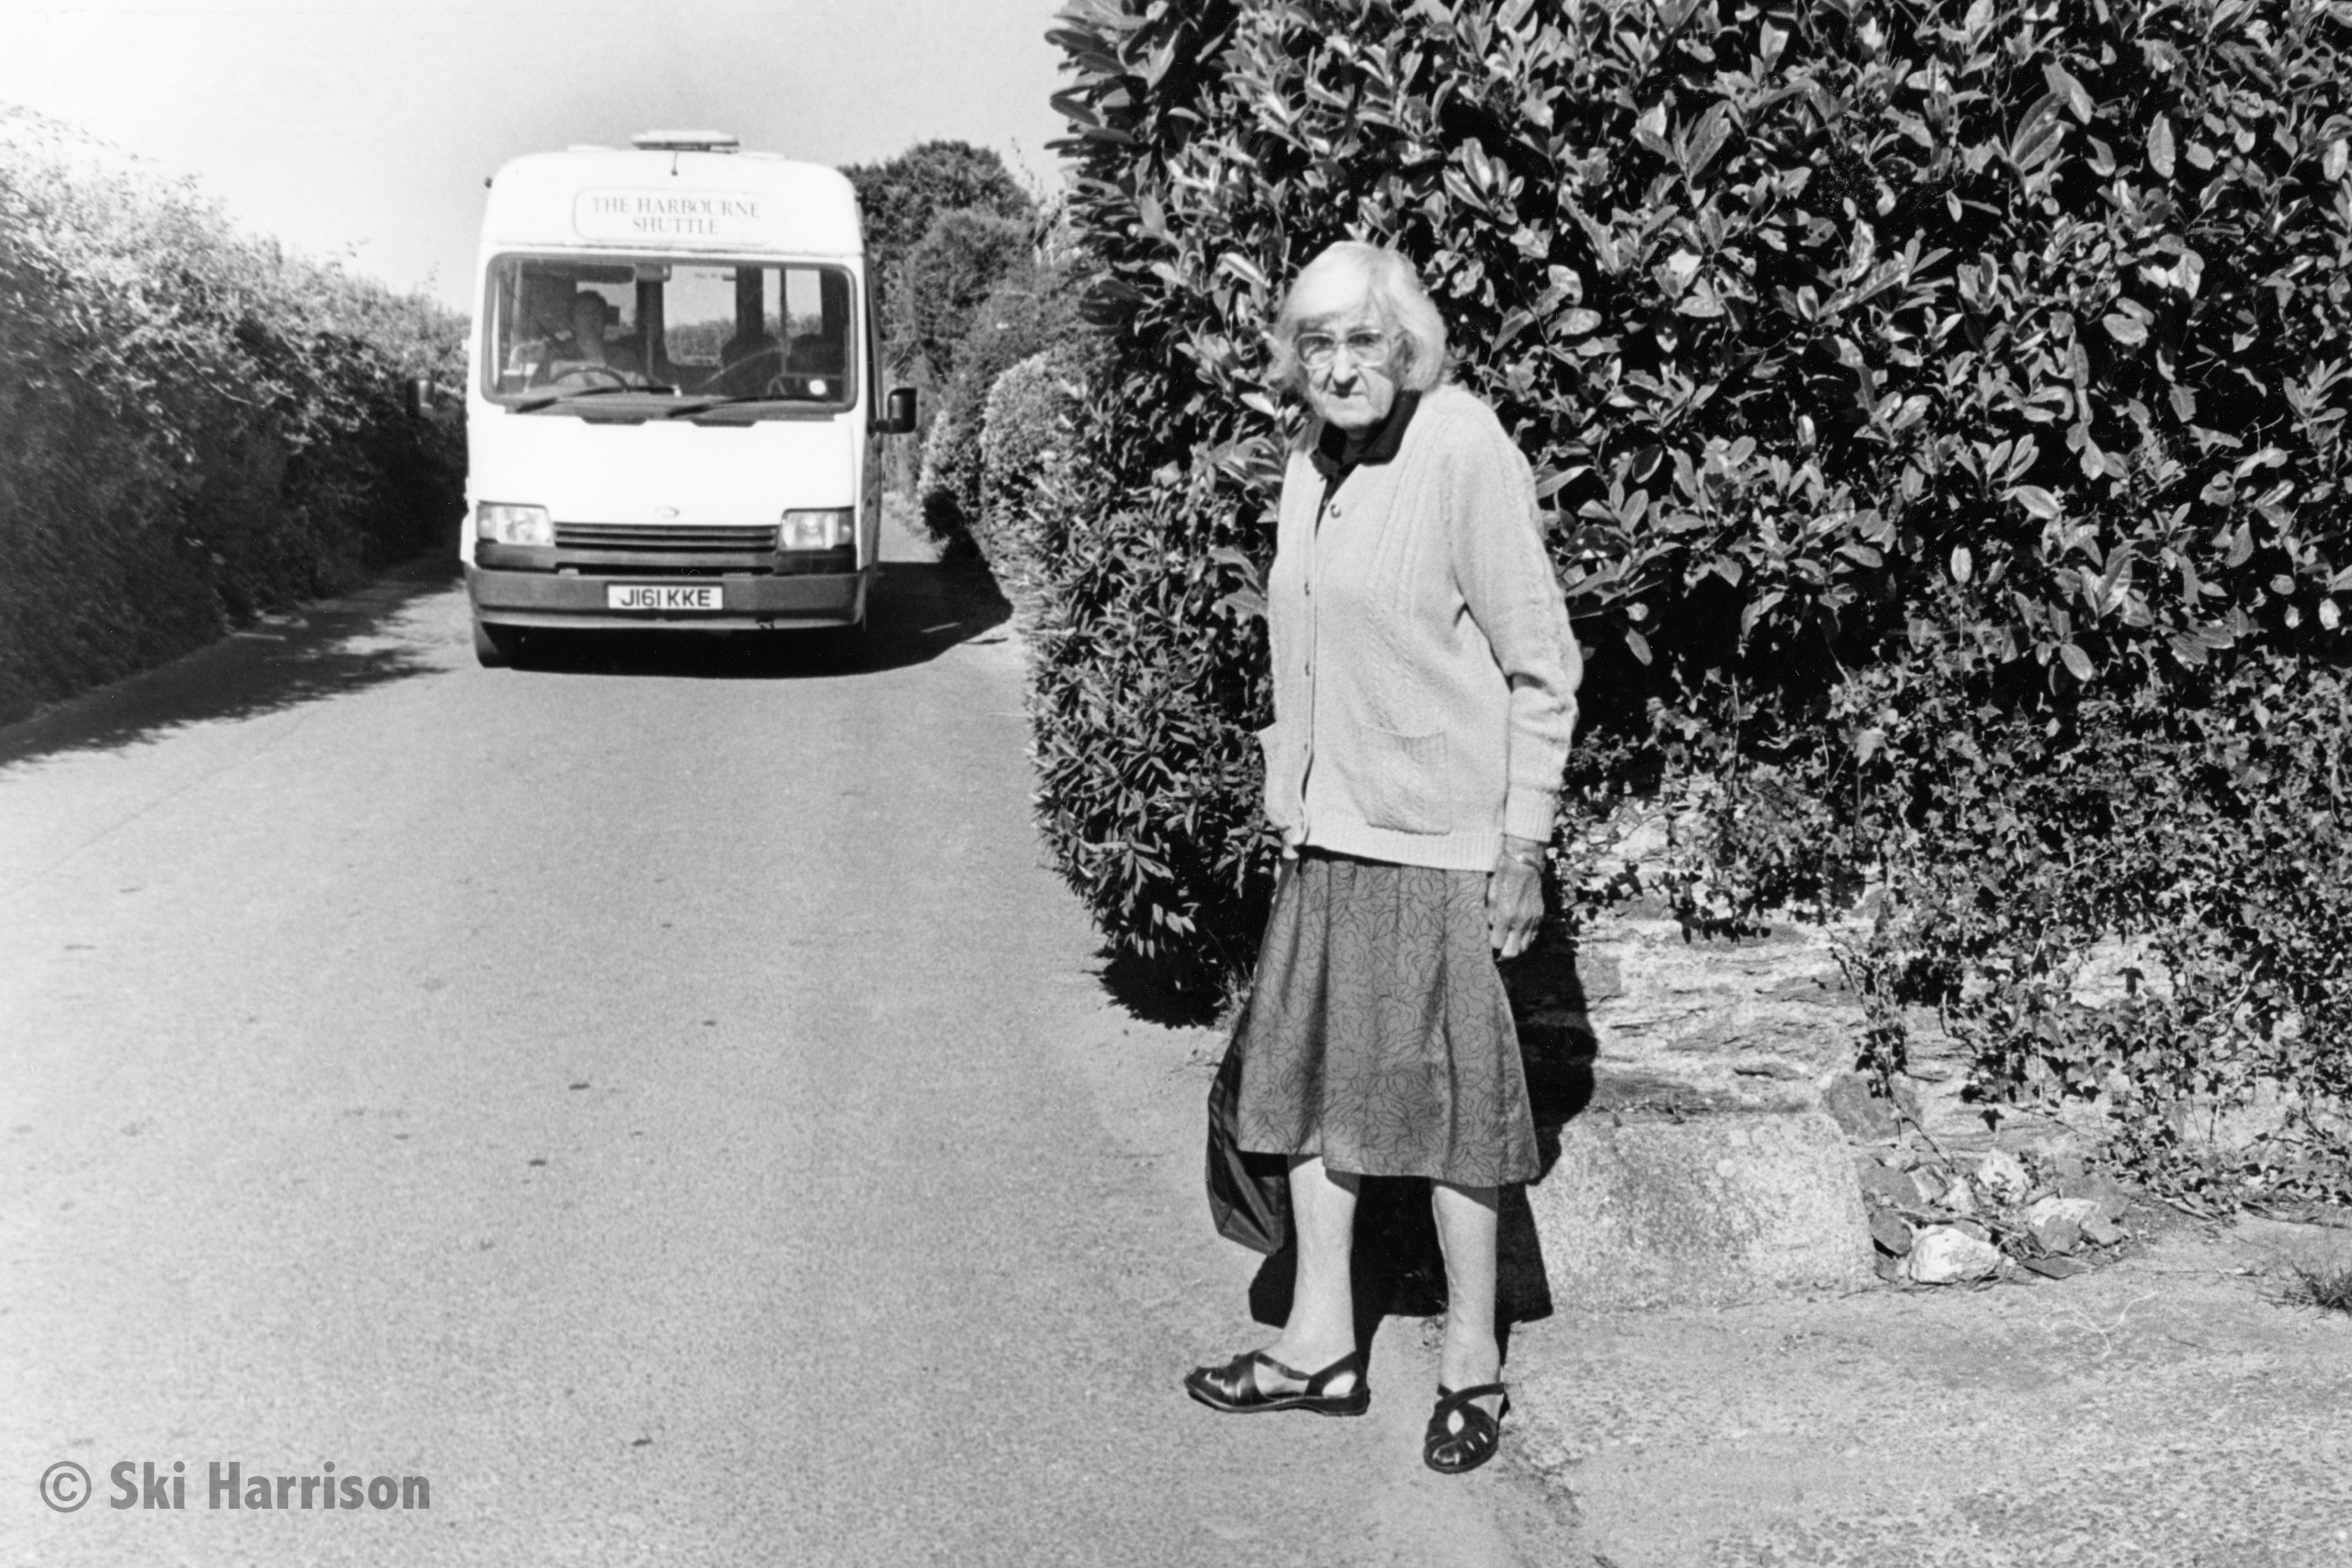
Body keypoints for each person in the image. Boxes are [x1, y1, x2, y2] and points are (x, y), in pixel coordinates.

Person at [1183, 241, 1581, 1475]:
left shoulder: (1462, 447)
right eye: (1319, 346)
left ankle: (1472, 1358)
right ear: (1292, 362)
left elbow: (1542, 662)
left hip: (1440, 835)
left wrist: (1523, 842)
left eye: (1365, 340)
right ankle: (1319, 1345)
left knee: (1451, 1107)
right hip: (1331, 828)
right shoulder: (1312, 462)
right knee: (1308, 1090)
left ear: (1406, 345)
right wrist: (1283, 778)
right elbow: (1302, 636)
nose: (1343, 366)